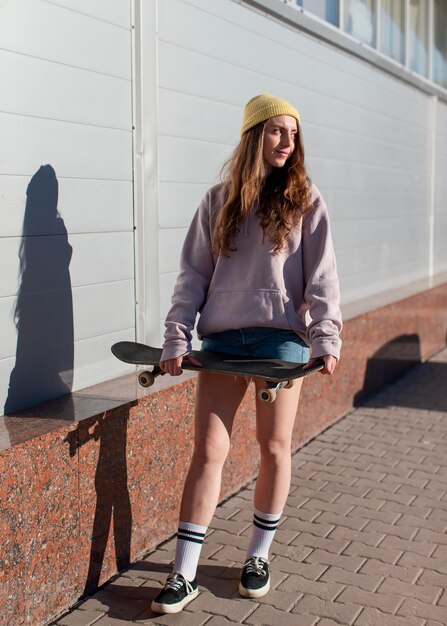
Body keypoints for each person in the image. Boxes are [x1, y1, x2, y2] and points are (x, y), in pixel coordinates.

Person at [151, 93, 342, 614]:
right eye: (277, 131)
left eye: (294, 133)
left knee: (273, 448)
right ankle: (183, 572)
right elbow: (192, 275)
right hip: (222, 343)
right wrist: (176, 337)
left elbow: (322, 278)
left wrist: (326, 339)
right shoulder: (218, 200)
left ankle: (257, 557)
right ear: (253, 134)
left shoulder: (306, 200)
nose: (288, 142)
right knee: (208, 452)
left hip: (281, 341)